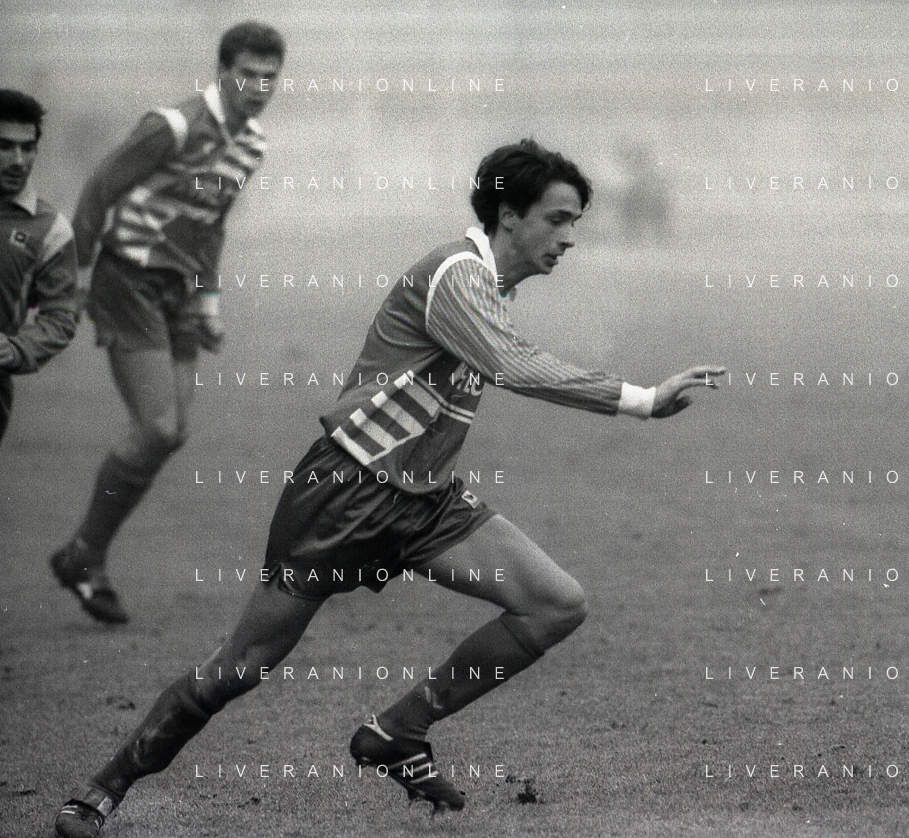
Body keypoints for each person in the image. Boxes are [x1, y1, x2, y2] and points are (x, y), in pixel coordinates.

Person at [53, 138, 723, 838]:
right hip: (346, 491)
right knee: (242, 666)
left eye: (574, 222)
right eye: (557, 219)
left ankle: (398, 731)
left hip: (426, 501)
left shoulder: (493, 286)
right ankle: (103, 789)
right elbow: (511, 364)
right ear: (509, 214)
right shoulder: (458, 274)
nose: (569, 237)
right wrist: (643, 400)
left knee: (555, 604)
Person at [49, 21, 286, 624]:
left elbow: (210, 228)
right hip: (127, 277)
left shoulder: (252, 144)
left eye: (270, 77)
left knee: (173, 432)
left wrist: (208, 303)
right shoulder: (174, 125)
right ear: (223, 71)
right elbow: (99, 189)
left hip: (179, 289)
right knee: (155, 426)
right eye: (248, 74)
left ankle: (83, 554)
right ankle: (85, 554)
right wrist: (78, 278)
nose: (259, 87)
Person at [0, 89, 79, 445]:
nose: (18, 160)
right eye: (4, 147)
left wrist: (18, 349)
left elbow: (60, 317)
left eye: (27, 148)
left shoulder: (50, 229)